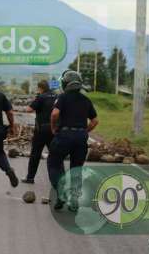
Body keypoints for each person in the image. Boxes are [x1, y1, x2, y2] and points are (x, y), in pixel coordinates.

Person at [47, 70, 98, 211]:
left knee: (54, 164)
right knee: (77, 169)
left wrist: (53, 128)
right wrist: (84, 131)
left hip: (64, 135)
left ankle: (61, 193)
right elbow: (95, 121)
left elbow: (55, 114)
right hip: (80, 138)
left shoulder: (62, 97)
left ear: (65, 83)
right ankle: (74, 200)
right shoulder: (86, 100)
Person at [21, 80, 57, 184]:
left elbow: (29, 109)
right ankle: (58, 179)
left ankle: (30, 178)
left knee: (35, 154)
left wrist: (35, 99)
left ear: (40, 88)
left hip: (41, 130)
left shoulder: (41, 97)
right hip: (54, 129)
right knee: (55, 155)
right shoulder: (56, 96)